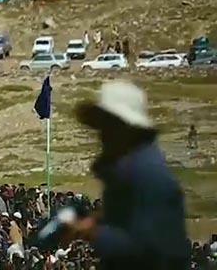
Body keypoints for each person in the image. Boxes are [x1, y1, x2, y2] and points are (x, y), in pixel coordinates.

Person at [64, 80, 191, 268]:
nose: (101, 135)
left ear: (122, 127)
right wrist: (98, 218)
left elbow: (150, 249)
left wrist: (94, 232)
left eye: (106, 126)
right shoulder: (128, 168)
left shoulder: (146, 172)